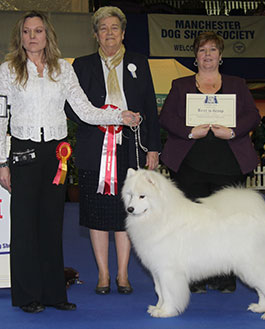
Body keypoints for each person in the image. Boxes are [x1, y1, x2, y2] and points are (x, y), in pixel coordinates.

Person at [0, 10, 139, 314]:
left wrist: (119, 116)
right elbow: (0, 118)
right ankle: (27, 296)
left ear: (47, 35)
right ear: (19, 36)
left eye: (38, 31)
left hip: (56, 155)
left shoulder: (63, 69)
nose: (32, 37)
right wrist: (1, 162)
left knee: (52, 225)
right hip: (22, 152)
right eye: (27, 31)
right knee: (23, 228)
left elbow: (85, 110)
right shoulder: (8, 70)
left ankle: (53, 293)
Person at [65, 6, 161, 295]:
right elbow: (71, 106)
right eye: (103, 28)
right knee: (96, 214)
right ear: (95, 34)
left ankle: (122, 274)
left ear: (123, 33)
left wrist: (153, 149)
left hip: (131, 150)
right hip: (95, 148)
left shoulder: (139, 63)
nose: (109, 33)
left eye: (114, 28)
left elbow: (149, 109)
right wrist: (102, 116)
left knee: (127, 213)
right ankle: (103, 275)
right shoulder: (80, 66)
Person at [159, 31, 260, 293]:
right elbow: (167, 118)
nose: (207, 55)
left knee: (226, 223)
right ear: (196, 56)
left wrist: (234, 130)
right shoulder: (180, 85)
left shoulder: (237, 84)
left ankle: (225, 276)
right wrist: (190, 131)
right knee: (191, 223)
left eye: (213, 50)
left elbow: (253, 115)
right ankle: (195, 277)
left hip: (230, 164)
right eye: (202, 50)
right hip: (189, 165)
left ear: (220, 56)